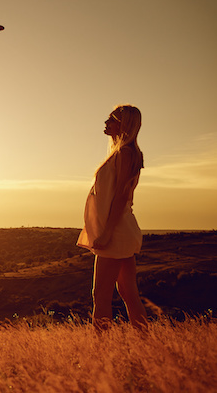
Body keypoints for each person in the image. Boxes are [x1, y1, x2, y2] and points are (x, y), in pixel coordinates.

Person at [77, 105, 148, 330]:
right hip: (120, 229)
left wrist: (106, 233)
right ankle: (147, 343)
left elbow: (121, 197)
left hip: (116, 231)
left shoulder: (126, 153)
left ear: (123, 124)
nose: (106, 123)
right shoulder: (124, 153)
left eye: (112, 119)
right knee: (128, 293)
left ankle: (101, 352)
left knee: (100, 295)